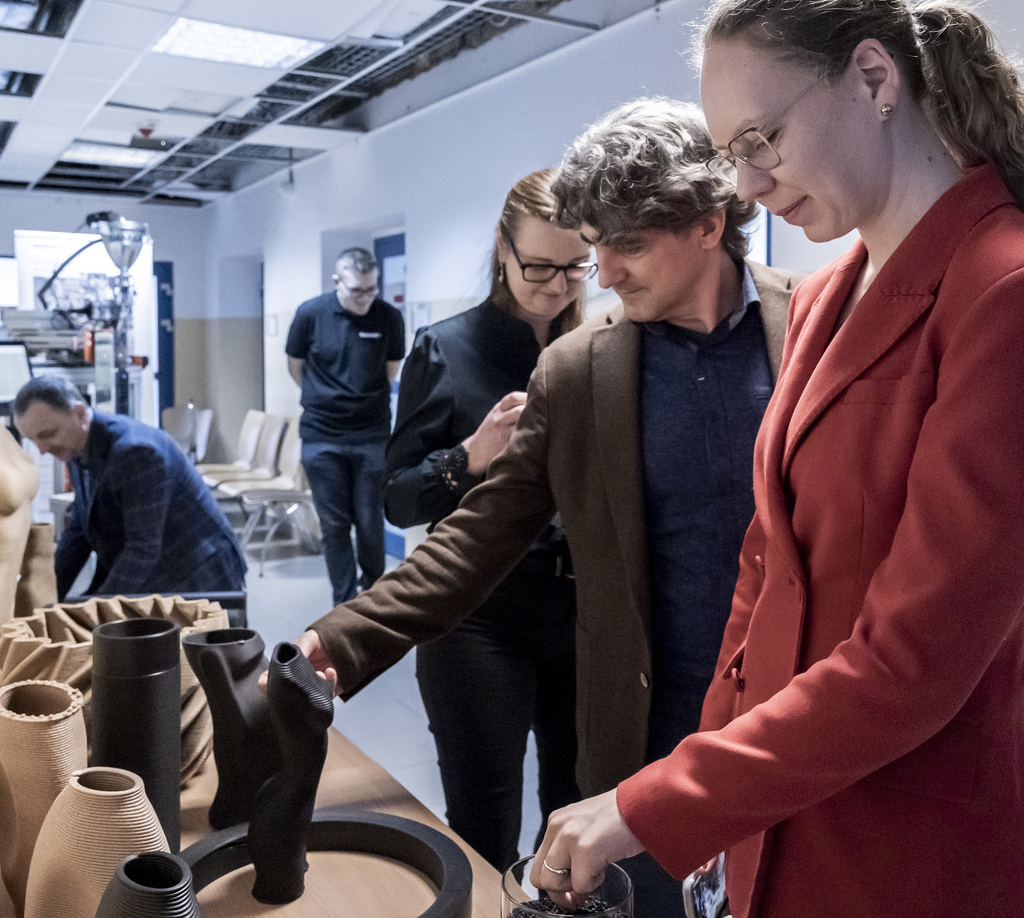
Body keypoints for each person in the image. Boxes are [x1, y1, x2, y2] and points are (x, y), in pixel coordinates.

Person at [529, 0, 1024, 918]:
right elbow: (767, 570)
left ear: (874, 77)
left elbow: (914, 661)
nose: (746, 186)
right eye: (730, 155)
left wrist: (655, 802)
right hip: (783, 813)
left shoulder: (1022, 289)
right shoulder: (825, 293)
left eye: (761, 140)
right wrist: (714, 788)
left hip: (914, 850)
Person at [300, 98, 803, 918]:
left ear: (708, 223)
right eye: (591, 248)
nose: (601, 275)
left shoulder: (818, 327)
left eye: (625, 245)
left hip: (791, 724)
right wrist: (341, 638)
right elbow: (479, 534)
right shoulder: (577, 369)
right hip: (647, 736)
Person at [384, 168, 588, 869]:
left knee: (577, 819)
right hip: (479, 615)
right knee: (484, 825)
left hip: (586, 616)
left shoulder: (602, 345)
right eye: (538, 266)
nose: (557, 286)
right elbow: (397, 498)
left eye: (576, 266)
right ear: (503, 247)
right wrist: (468, 456)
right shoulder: (445, 347)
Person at [11, 375, 245, 598]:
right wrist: (47, 595)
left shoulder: (136, 452)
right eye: (33, 440)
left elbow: (141, 550)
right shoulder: (75, 446)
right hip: (157, 570)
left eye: (47, 434)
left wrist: (97, 611)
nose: (42, 449)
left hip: (197, 577)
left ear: (80, 414)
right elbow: (81, 530)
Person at [285, 248, 406, 605]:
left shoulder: (388, 317)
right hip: (321, 435)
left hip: (371, 434)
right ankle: (343, 601)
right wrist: (325, 398)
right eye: (356, 291)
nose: (365, 298)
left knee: (369, 521)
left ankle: (373, 595)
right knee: (335, 525)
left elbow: (391, 368)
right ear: (337, 282)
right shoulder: (310, 314)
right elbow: (295, 366)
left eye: (372, 289)